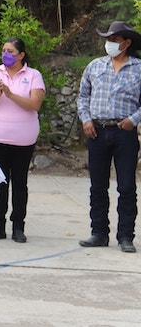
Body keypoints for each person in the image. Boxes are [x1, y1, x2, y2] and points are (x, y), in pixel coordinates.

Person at [76, 21, 141, 253]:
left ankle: (125, 237)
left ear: (127, 43)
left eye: (114, 40)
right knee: (98, 186)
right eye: (108, 40)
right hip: (97, 131)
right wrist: (86, 119)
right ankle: (99, 233)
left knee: (126, 186)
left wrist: (133, 119)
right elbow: (83, 96)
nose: (109, 44)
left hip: (124, 132)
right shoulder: (95, 66)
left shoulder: (139, 68)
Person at [0, 38, 45, 243]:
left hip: (23, 140)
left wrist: (10, 93)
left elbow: (34, 104)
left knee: (19, 182)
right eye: (3, 50)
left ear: (21, 55)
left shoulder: (33, 75)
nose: (6, 54)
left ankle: (18, 226)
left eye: (10, 51)